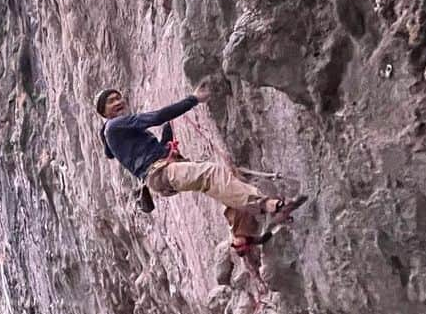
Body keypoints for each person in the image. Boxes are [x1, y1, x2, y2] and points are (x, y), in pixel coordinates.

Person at [94, 83, 306, 252]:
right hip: (161, 173)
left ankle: (240, 236)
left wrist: (168, 134)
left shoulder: (120, 133)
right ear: (105, 112)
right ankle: (271, 206)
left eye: (119, 97)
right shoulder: (115, 126)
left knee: (226, 182)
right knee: (212, 174)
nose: (119, 101)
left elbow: (155, 147)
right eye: (111, 101)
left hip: (163, 171)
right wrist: (193, 99)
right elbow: (157, 117)